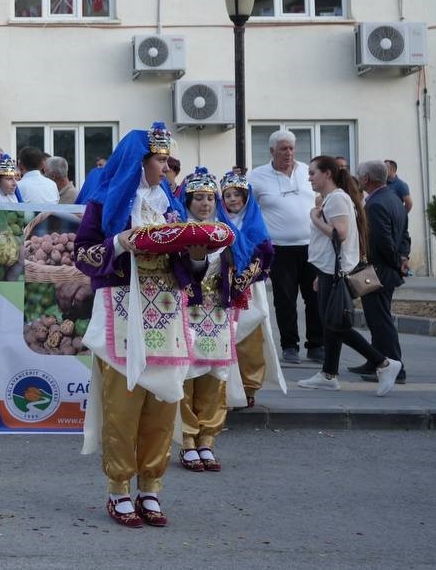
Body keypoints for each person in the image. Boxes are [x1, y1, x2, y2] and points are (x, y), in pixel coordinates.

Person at [74, 122, 218, 528]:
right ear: (139, 162)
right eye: (159, 158)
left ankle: (151, 486)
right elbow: (82, 255)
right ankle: (119, 488)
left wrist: (195, 255)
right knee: (123, 405)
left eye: (167, 159)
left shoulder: (171, 207)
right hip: (122, 310)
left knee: (165, 401)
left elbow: (189, 267)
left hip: (167, 311)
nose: (166, 165)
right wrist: (120, 243)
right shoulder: (103, 206)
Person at [297, 156, 401, 396]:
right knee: (330, 323)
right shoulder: (334, 199)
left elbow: (340, 234)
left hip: (337, 271)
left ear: (327, 174)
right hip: (329, 270)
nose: (309, 177)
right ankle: (328, 374)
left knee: (337, 325)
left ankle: (384, 364)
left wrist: (314, 218)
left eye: (313, 173)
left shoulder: (337, 199)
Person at [176, 168, 245, 474]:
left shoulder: (225, 231)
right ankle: (187, 440)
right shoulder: (177, 229)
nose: (205, 204)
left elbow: (245, 264)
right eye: (198, 198)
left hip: (217, 313)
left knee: (216, 377)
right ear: (187, 201)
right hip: (185, 312)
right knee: (186, 376)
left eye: (209, 198)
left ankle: (208, 438)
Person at [247, 130, 322, 364]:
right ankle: (289, 345)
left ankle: (316, 345)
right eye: (283, 148)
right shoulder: (257, 176)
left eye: (291, 148)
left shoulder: (307, 172)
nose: (288, 153)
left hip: (312, 246)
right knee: (285, 298)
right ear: (272, 151)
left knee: (315, 296)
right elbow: (246, 210)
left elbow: (322, 201)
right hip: (279, 248)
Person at [220, 170, 282, 410]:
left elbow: (266, 252)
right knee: (226, 337)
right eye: (227, 195)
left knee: (249, 336)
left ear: (246, 197)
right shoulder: (218, 220)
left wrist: (247, 274)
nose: (232, 199)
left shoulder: (255, 221)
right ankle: (224, 387)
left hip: (250, 288)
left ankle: (249, 386)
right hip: (223, 286)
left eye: (237, 194)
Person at [354, 160, 408, 385]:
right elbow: (405, 235)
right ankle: (375, 361)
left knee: (381, 320)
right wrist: (403, 257)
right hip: (386, 270)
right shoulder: (394, 199)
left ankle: (396, 366)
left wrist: (396, 262)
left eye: (359, 176)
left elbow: (383, 241)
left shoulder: (375, 205)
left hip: (379, 271)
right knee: (376, 318)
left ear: (366, 179)